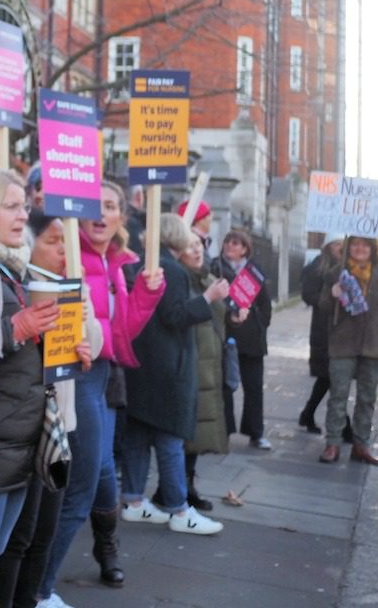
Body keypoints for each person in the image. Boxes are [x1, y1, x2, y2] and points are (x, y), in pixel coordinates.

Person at [36, 180, 163, 607]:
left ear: (121, 217)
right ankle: (40, 589)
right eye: (93, 204)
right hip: (75, 376)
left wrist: (146, 292)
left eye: (109, 206)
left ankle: (103, 547)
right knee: (80, 488)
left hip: (104, 373)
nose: (100, 213)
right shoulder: (62, 249)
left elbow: (122, 332)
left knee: (101, 473)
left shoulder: (116, 263)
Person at [0, 213, 102, 608]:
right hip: (24, 423)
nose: (64, 249)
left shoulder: (71, 286)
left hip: (59, 423)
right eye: (55, 241)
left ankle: (35, 596)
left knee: (43, 531)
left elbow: (95, 345)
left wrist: (82, 307)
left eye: (66, 241)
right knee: (17, 538)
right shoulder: (19, 285)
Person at [0, 168, 57, 570]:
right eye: (12, 207)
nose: (23, 216)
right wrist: (16, 328)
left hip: (17, 438)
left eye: (26, 206)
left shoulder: (15, 269)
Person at [120, 213, 230, 536]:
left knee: (139, 436)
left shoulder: (140, 263)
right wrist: (208, 298)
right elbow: (175, 315)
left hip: (142, 363)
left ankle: (133, 499)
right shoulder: (173, 270)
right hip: (167, 366)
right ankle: (179, 508)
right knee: (170, 439)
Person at [318, 236, 378, 466]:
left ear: (372, 250)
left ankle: (361, 445)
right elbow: (323, 307)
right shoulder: (336, 273)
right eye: (355, 245)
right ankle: (332, 443)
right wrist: (333, 294)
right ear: (348, 248)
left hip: (374, 343)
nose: (360, 249)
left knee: (367, 398)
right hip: (343, 343)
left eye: (365, 245)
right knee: (338, 395)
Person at [163, 219, 228, 514]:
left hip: (207, 363)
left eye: (199, 243)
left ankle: (185, 487)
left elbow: (215, 318)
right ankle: (177, 490)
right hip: (189, 363)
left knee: (196, 434)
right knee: (184, 433)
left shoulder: (206, 277)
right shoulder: (179, 279)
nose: (197, 249)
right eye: (189, 245)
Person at [213, 230, 273, 450]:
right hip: (226, 335)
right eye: (227, 241)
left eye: (235, 243)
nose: (230, 245)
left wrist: (259, 324)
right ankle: (225, 431)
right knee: (224, 386)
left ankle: (255, 432)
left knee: (254, 387)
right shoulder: (215, 267)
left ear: (245, 248)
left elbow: (266, 304)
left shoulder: (254, 272)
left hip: (252, 340)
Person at [298, 236, 353, 440]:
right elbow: (307, 294)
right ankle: (345, 428)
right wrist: (327, 298)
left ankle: (308, 414)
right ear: (328, 246)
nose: (340, 247)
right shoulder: (318, 267)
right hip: (323, 328)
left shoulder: (347, 266)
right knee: (332, 376)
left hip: (343, 329)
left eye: (342, 243)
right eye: (336, 243)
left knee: (328, 377)